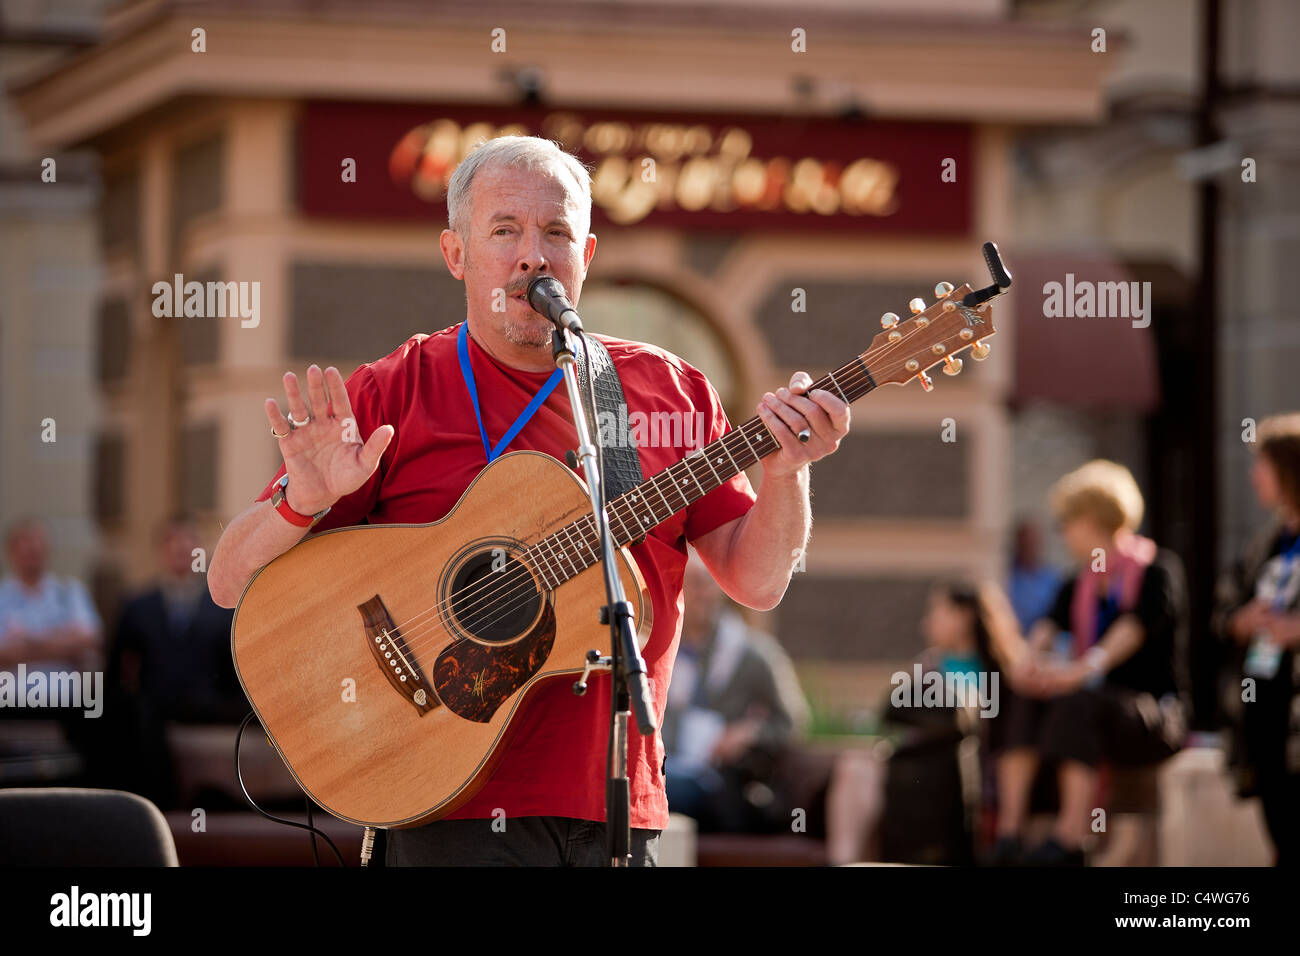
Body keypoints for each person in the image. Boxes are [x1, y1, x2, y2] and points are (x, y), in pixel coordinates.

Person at [206, 135, 851, 866]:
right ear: (456, 254)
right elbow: (229, 582)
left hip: (618, 807)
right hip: (444, 802)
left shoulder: (669, 392)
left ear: (587, 255)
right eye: (504, 230)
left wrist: (788, 472)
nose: (531, 256)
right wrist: (302, 503)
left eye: (556, 233)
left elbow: (758, 583)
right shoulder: (395, 389)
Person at [991, 460, 1188, 866]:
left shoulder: (1156, 572)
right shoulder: (1075, 583)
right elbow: (1046, 628)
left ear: (1095, 520)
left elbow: (1131, 630)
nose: (1062, 532)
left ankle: (1070, 838)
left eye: (1068, 521)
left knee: (1078, 700)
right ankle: (1009, 835)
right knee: (1022, 697)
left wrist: (1082, 670)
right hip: (1093, 704)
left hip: (1151, 712)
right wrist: (1028, 666)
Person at [826, 579, 1019, 866]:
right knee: (855, 767)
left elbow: (975, 722)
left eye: (938, 612)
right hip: (913, 770)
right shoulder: (928, 665)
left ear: (964, 616)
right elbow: (897, 717)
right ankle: (844, 861)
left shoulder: (997, 670)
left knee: (860, 773)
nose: (927, 623)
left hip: (959, 778)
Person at [661, 551, 810, 833]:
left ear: (720, 589)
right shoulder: (659, 651)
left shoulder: (753, 654)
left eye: (705, 583)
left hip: (718, 780)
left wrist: (750, 733)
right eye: (689, 584)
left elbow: (792, 722)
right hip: (667, 764)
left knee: (660, 790)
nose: (699, 594)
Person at [104, 516, 247, 807]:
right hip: (156, 708)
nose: (181, 550)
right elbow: (115, 668)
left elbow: (236, 667)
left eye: (188, 543)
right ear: (161, 550)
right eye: (173, 543)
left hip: (210, 705)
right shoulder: (138, 605)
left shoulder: (225, 606)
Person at [1213, 412, 1300, 866]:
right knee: (1280, 828)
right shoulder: (1263, 545)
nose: (1253, 478)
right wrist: (1241, 620)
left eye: (1262, 466)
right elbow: (1223, 614)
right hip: (1264, 706)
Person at [0, 517, 104, 781]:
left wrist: (29, 645)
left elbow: (89, 638)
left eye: (37, 544)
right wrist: (60, 642)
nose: (32, 551)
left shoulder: (69, 593)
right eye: (25, 545)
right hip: (10, 707)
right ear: (12, 551)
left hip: (65, 707)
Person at [1008, 518, 1062, 634]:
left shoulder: (1052, 577)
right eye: (1026, 541)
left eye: (1034, 540)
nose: (1031, 545)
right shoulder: (1006, 574)